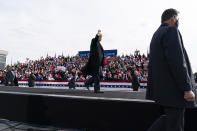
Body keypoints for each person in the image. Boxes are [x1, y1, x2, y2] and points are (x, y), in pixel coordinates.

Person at [146, 8, 196, 131]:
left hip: (163, 92)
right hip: (174, 92)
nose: (178, 21)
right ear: (173, 18)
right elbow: (177, 62)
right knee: (175, 125)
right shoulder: (171, 31)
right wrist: (187, 88)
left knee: (169, 121)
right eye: (178, 18)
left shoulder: (156, 34)